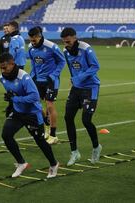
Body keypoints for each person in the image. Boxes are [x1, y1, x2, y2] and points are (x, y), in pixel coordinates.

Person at [0, 53, 59, 178]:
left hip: (32, 114)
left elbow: (34, 97)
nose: (2, 70)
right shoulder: (2, 78)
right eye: (0, 68)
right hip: (18, 113)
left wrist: (15, 99)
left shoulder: (24, 77)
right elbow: (12, 93)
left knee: (40, 141)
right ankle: (21, 163)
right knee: (6, 135)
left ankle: (54, 164)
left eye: (5, 67)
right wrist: (10, 103)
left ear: (12, 64)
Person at [60, 27, 102, 166]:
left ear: (74, 37)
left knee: (86, 120)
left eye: (68, 41)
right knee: (68, 117)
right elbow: (72, 68)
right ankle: (74, 152)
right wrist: (74, 80)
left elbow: (95, 66)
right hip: (76, 88)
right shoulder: (65, 51)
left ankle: (96, 147)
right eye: (64, 42)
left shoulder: (86, 48)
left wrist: (80, 77)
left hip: (90, 87)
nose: (66, 44)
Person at [27, 26, 66, 145]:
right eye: (30, 40)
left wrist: (54, 75)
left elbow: (62, 61)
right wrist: (31, 76)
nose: (32, 42)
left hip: (51, 80)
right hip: (38, 80)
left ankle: (53, 135)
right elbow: (34, 64)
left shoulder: (51, 47)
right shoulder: (31, 48)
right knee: (36, 106)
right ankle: (46, 126)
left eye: (34, 40)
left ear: (39, 36)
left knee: (49, 105)